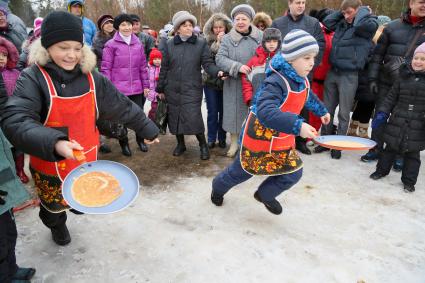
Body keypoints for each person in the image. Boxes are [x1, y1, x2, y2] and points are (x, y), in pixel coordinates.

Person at [1, 11, 159, 246]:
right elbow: (16, 120)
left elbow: (121, 106)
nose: (71, 55)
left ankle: (74, 206)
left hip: (85, 155)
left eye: (77, 47)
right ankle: (56, 224)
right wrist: (56, 142)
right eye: (63, 47)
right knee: (53, 206)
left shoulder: (92, 77)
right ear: (47, 46)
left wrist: (147, 129)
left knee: (84, 196)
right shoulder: (33, 78)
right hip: (49, 161)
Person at [211, 30, 330, 215]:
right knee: (243, 171)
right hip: (258, 136)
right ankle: (218, 187)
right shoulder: (276, 81)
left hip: (281, 136)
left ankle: (265, 194)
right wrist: (299, 126)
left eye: (313, 57)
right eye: (306, 58)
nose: (312, 62)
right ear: (291, 59)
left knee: (293, 172)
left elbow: (307, 96)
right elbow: (266, 112)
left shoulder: (302, 79)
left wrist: (321, 110)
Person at [362, 0, 425, 166]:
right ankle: (375, 148)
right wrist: (373, 78)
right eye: (421, 2)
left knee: (406, 121)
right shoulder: (392, 26)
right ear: (411, 3)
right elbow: (377, 56)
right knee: (380, 116)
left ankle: (400, 154)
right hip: (386, 81)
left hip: (413, 87)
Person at [156, 11, 224, 160]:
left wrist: (217, 72)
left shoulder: (200, 43)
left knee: (193, 117)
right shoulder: (169, 44)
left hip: (192, 87)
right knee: (175, 116)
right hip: (172, 87)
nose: (188, 28)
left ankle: (203, 145)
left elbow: (207, 63)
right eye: (184, 25)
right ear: (177, 28)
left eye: (190, 25)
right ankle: (180, 144)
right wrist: (160, 87)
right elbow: (165, 67)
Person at [315, 0, 378, 159]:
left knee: (343, 113)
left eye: (350, 12)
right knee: (327, 109)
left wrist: (362, 11)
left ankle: (337, 145)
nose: (346, 15)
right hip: (333, 71)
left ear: (359, 10)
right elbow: (327, 22)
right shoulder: (342, 21)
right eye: (344, 13)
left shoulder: (370, 23)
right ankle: (325, 142)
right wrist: (342, 11)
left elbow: (359, 26)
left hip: (349, 75)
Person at [271, 0, 326, 155]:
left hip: (305, 73)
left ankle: (301, 141)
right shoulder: (278, 22)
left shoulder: (313, 23)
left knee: (302, 104)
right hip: (283, 74)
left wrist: (311, 65)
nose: (301, 5)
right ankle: (281, 139)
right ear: (289, 3)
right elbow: (273, 45)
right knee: (284, 105)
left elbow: (320, 44)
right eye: (297, 2)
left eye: (303, 2)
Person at [369, 42, 425, 193]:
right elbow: (390, 98)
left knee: (413, 155)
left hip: (418, 124)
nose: (418, 62)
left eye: (423, 59)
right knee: (390, 148)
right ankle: (381, 171)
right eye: (416, 58)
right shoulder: (403, 77)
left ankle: (409, 181)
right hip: (398, 119)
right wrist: (382, 113)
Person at [216, 4, 262, 157]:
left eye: (244, 18)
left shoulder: (260, 36)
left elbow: (269, 54)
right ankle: (234, 143)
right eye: (237, 19)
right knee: (233, 114)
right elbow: (220, 58)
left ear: (250, 20)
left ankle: (251, 144)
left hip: (256, 83)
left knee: (254, 114)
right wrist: (237, 66)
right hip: (234, 83)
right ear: (233, 21)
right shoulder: (228, 38)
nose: (240, 21)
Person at [101, 14, 151, 156]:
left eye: (129, 24)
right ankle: (124, 144)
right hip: (118, 90)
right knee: (120, 119)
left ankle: (140, 141)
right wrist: (108, 89)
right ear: (117, 27)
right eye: (123, 25)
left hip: (136, 88)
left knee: (139, 116)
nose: (127, 27)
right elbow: (106, 69)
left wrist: (146, 86)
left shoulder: (138, 44)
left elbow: (142, 67)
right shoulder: (110, 45)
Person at [348, 15, 391, 138]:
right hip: (367, 79)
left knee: (363, 105)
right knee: (367, 105)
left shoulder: (377, 41)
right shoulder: (373, 42)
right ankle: (361, 131)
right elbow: (366, 59)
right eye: (385, 27)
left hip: (368, 79)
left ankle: (353, 127)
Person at [0, 37, 29, 184]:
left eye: (4, 55)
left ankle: (20, 170)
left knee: (18, 145)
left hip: (15, 116)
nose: (1, 58)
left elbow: (23, 93)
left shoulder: (14, 73)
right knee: (6, 150)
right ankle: (10, 175)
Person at [203, 12, 232, 149]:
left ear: (226, 28)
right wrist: (218, 42)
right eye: (216, 27)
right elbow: (208, 60)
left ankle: (222, 137)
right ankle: (211, 137)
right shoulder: (207, 41)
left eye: (221, 27)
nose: (218, 30)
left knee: (224, 111)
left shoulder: (232, 40)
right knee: (212, 111)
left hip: (227, 82)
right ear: (212, 28)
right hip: (210, 81)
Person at [308, 8, 334, 134]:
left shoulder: (335, 34)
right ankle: (309, 135)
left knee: (324, 109)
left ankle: (317, 132)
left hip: (328, 79)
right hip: (315, 78)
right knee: (312, 108)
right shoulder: (317, 33)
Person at [241, 28, 281, 106]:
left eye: (274, 41)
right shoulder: (254, 61)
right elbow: (246, 79)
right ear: (263, 43)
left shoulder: (283, 61)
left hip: (277, 103)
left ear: (279, 43)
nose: (271, 44)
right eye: (268, 41)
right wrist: (249, 98)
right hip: (257, 103)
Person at [147, 48, 162, 121]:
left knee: (160, 108)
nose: (157, 60)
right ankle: (151, 118)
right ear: (152, 59)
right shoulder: (149, 68)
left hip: (160, 92)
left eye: (159, 59)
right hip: (152, 91)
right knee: (154, 107)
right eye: (155, 59)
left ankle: (157, 120)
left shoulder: (162, 68)